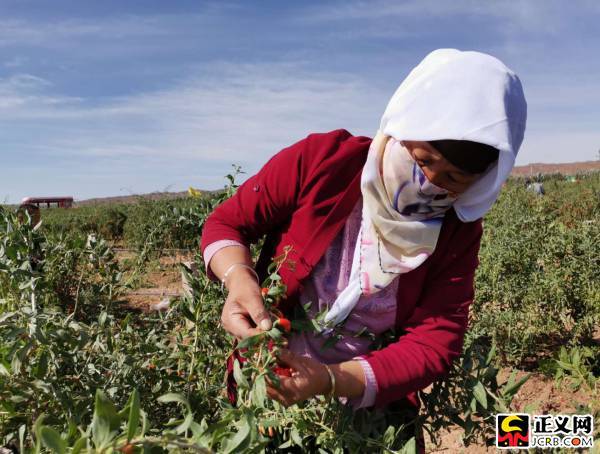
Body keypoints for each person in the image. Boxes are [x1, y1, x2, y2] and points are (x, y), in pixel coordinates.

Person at [201, 49, 526, 422]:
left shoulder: (456, 231)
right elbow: (227, 223)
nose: (429, 184)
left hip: (364, 413)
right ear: (402, 128)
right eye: (423, 160)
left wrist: (330, 379)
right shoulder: (325, 161)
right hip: (264, 379)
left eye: (454, 179)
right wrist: (237, 279)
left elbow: (435, 340)